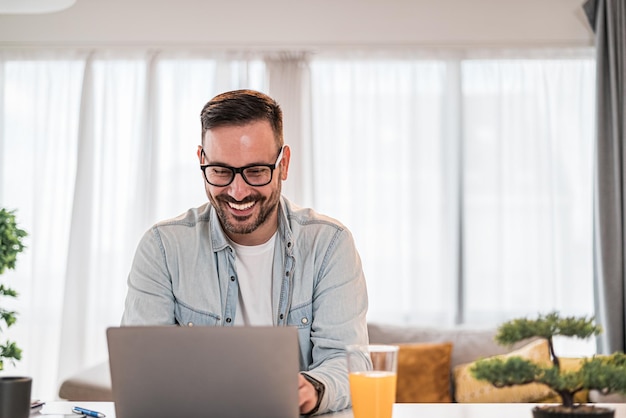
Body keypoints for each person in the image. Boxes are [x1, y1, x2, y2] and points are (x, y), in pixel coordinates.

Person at [121, 89, 369, 415]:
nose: (238, 192)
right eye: (221, 171)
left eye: (255, 171)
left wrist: (313, 388)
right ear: (201, 160)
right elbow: (143, 371)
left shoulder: (330, 245)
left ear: (284, 164)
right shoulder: (162, 248)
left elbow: (348, 361)